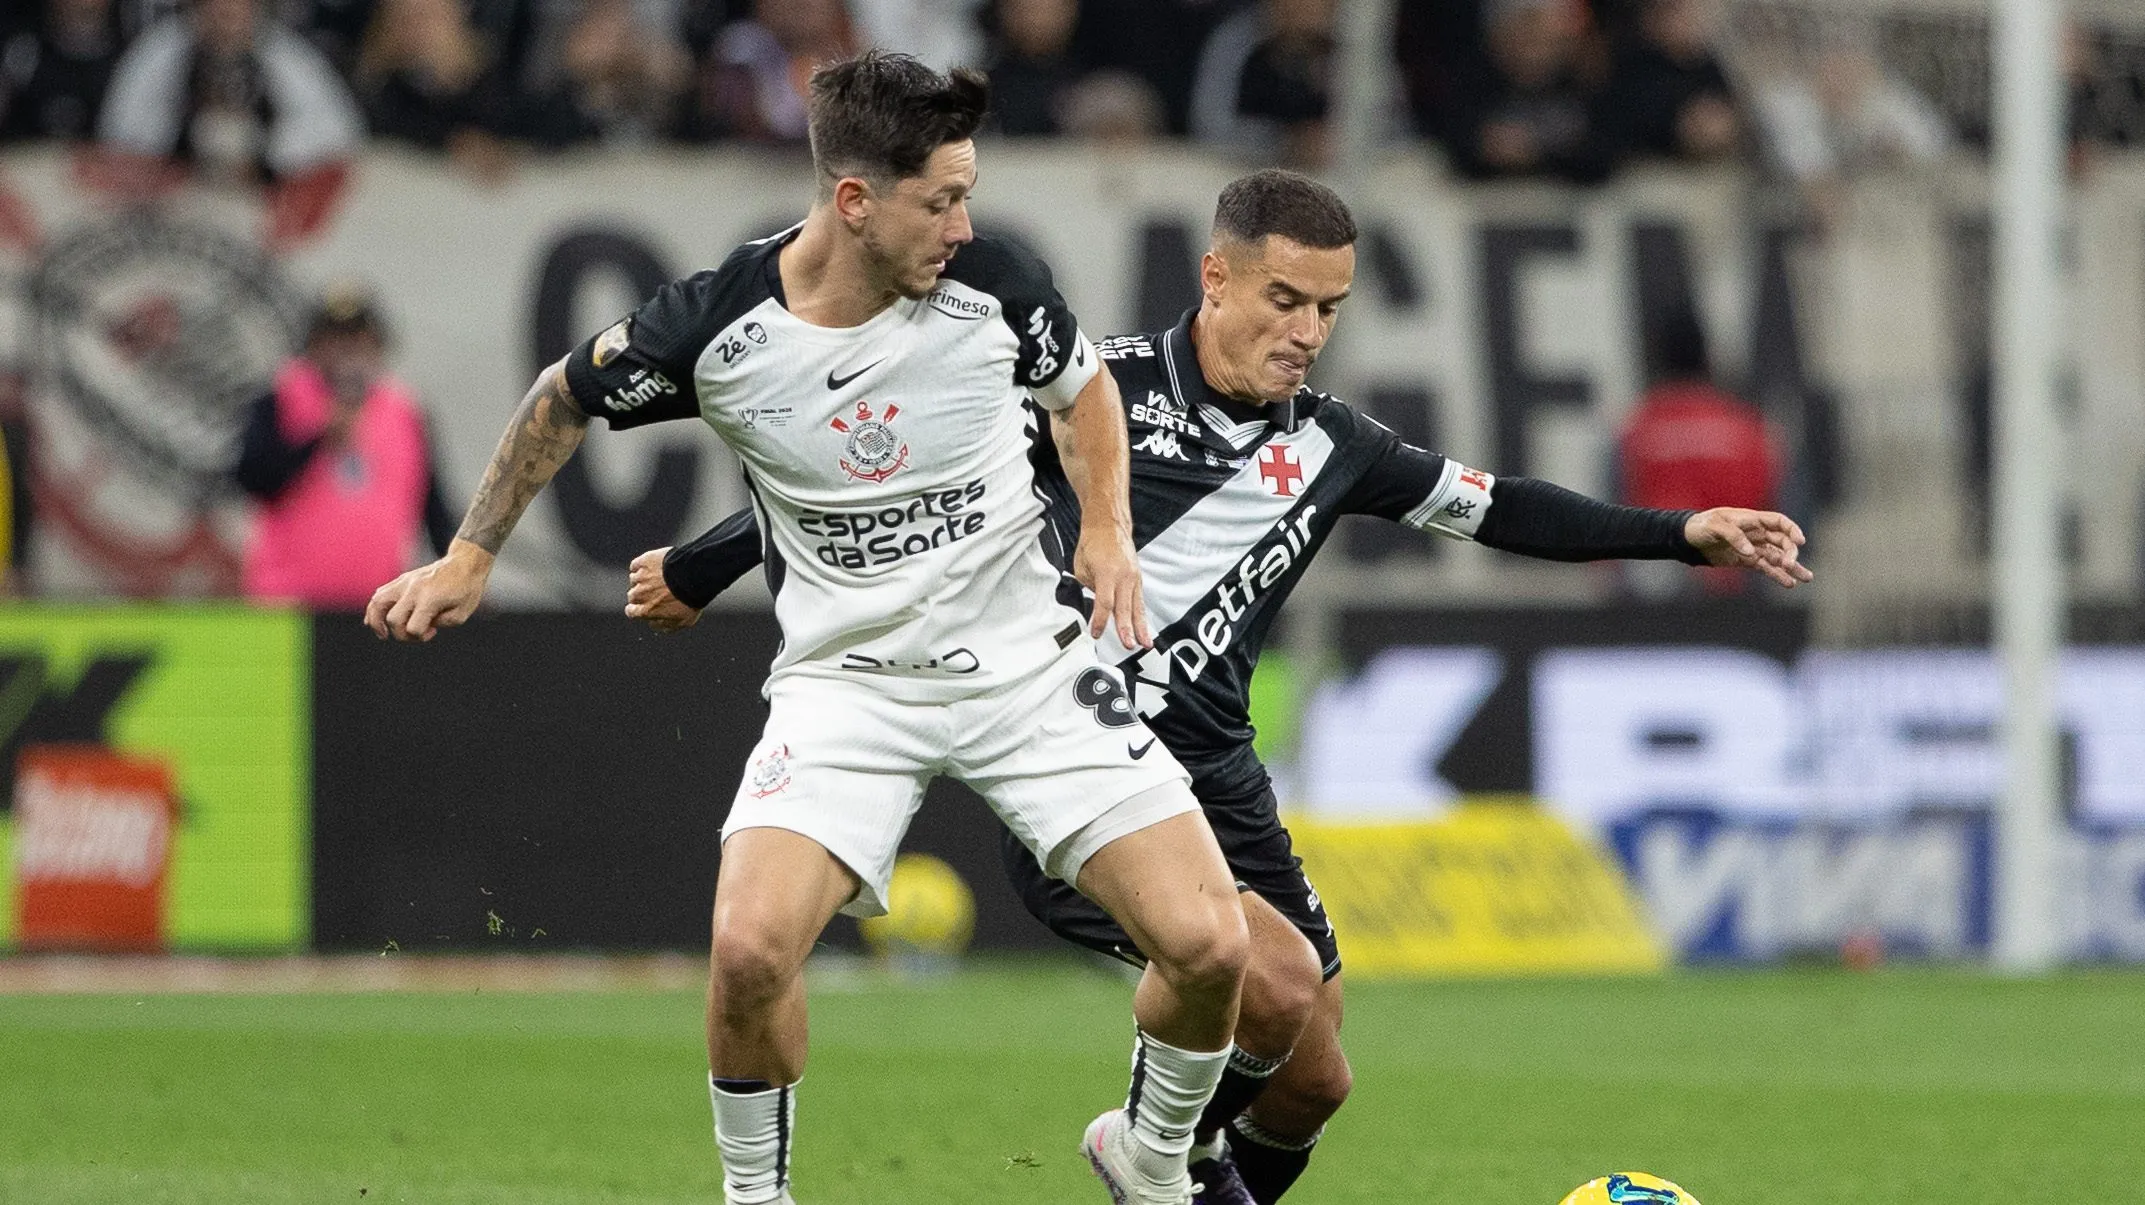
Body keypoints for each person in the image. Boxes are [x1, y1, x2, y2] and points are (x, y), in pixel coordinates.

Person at [630, 169, 1814, 1204]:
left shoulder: (1338, 445)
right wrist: (699, 561)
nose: (1307, 332)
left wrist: (1681, 531)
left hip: (1222, 774)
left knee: (1315, 1072)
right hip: (1081, 764)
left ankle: (1169, 1165)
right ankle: (1151, 1161)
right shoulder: (1094, 392)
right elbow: (876, 486)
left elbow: (1501, 507)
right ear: (1217, 278)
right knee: (1274, 983)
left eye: (1331, 310)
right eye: (1285, 300)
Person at [366, 52, 1250, 1205]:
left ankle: (1149, 1159)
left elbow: (1082, 392)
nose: (963, 223)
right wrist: (471, 551)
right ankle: (757, 1197)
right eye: (939, 200)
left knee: (1213, 948)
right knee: (746, 953)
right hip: (848, 687)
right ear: (853, 200)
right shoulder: (719, 325)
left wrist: (1108, 530)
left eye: (967, 193)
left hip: (1028, 667)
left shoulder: (998, 283)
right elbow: (563, 396)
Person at [235, 286, 455, 609]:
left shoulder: (406, 412)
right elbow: (254, 480)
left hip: (378, 607)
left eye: (358, 342)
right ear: (313, 348)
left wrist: (455, 576)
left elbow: (433, 509)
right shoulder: (280, 398)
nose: (347, 354)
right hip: (286, 606)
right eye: (335, 341)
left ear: (378, 348)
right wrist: (318, 441)